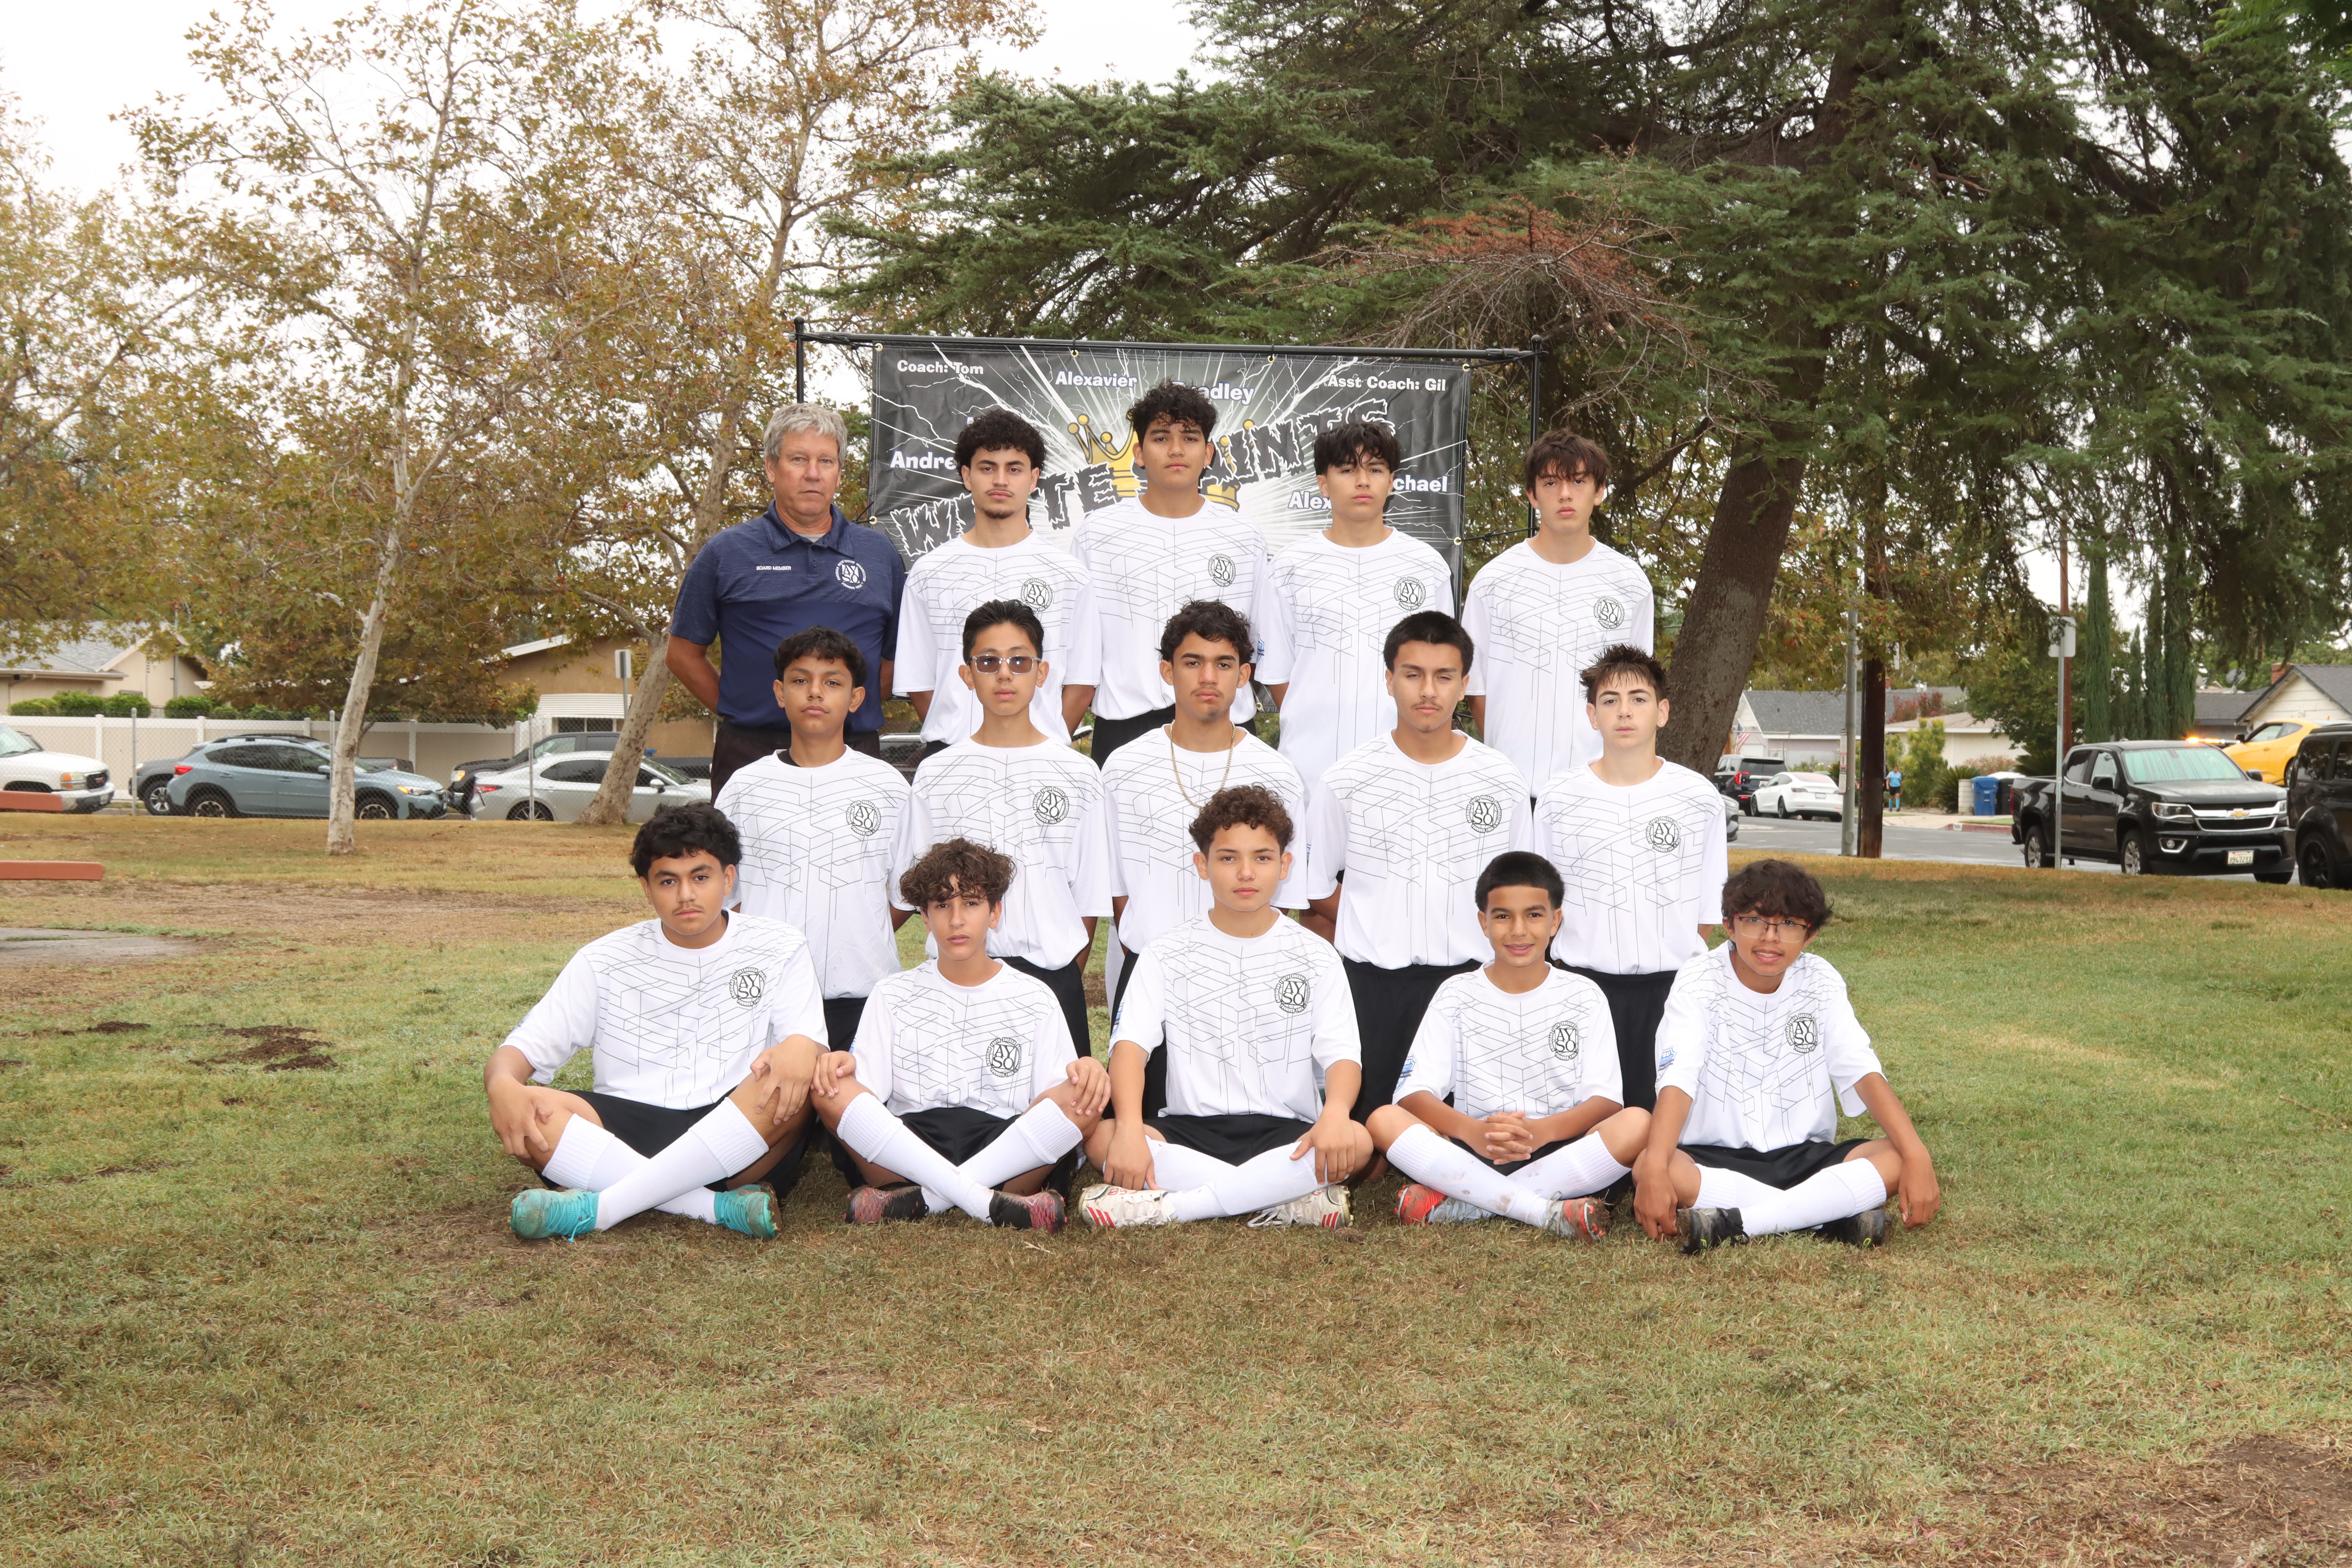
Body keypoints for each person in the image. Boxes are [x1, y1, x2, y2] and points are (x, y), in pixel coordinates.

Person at [489, 803, 827, 1242]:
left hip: (737, 1129)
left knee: (792, 1081)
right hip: (625, 1132)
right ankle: (714, 1208)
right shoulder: (603, 958)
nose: (686, 895)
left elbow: (805, 1044)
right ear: (647, 889)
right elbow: (518, 1052)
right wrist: (502, 1085)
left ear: (728, 879)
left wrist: (801, 1049)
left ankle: (603, 1208)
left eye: (700, 877)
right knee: (533, 1107)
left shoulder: (780, 945)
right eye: (668, 881)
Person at [1080, 785, 1371, 1227]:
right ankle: (1282, 1198)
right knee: (1104, 1137)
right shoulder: (1165, 953)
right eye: (1229, 858)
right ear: (1203, 865)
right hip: (1189, 1129)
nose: (1246, 873)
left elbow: (1343, 1056)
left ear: (1285, 865)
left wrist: (1333, 1114)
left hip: (1286, 1134)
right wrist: (1130, 1129)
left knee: (1357, 1139)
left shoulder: (1316, 956)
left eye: (1262, 857)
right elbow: (1129, 1050)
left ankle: (1178, 1206)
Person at [1632, 859, 1941, 1253]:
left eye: (1789, 924)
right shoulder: (1697, 979)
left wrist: (1917, 1153)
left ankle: (1743, 1223)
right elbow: (1679, 1077)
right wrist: (1655, 1169)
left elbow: (1860, 1069)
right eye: (1755, 921)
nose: (1770, 938)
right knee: (1651, 1165)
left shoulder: (1821, 979)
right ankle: (1827, 1217)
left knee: (1897, 1157)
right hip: (1714, 1157)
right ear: (1729, 925)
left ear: (1809, 935)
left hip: (1806, 1157)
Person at [810, 838, 1109, 1231]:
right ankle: (989, 1203)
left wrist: (1087, 1072)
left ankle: (921, 1201)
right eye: (941, 905)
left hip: (1005, 1147)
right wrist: (840, 1066)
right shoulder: (892, 994)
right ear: (924, 916)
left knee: (1086, 1092)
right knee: (828, 1085)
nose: (956, 920)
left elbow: (1052, 1098)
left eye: (970, 903)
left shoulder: (1035, 996)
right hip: (910, 1146)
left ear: (995, 912)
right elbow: (865, 1093)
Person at [1303, 610, 1532, 1121]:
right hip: (1374, 989)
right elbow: (1316, 888)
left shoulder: (1502, 780)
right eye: (1413, 674)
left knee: (1474, 1133)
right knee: (1370, 1135)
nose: (1428, 691)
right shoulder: (1347, 779)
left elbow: (1522, 893)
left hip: (1474, 985)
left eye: (1444, 676)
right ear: (1389, 680)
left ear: (1464, 684)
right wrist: (1374, 922)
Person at [1369, 851, 1651, 1235]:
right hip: (1471, 1149)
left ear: (1555, 921)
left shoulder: (1585, 995)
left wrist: (1542, 1131)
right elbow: (1413, 1093)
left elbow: (1606, 1100)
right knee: (1383, 1119)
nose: (1519, 930)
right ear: (1484, 922)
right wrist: (1473, 1132)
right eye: (1503, 916)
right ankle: (1544, 1211)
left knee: (1638, 1123)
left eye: (1534, 915)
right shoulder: (1456, 993)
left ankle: (1467, 1204)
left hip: (1558, 1148)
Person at [890, 599, 1111, 1058]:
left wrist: (1063, 974)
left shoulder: (1079, 773)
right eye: (989, 662)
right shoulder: (937, 773)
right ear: (967, 675)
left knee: (1062, 1104)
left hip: (1052, 978)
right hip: (957, 978)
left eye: (1019, 661)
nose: (1005, 674)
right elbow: (919, 887)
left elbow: (1088, 896)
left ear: (1042, 672)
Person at [669, 404, 908, 795]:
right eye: (798, 459)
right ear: (771, 467)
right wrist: (744, 710)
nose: (813, 473)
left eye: (826, 461)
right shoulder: (726, 552)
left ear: (838, 472)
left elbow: (898, 658)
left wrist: (838, 708)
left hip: (853, 751)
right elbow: (681, 654)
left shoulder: (879, 555)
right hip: (750, 752)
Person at [1532, 644, 1727, 1113]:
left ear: (1663, 712)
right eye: (1610, 700)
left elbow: (1706, 911)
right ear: (1592, 715)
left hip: (1670, 990)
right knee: (1584, 1118)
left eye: (1639, 699)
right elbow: (1540, 901)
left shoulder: (1698, 798)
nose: (1625, 712)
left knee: (1660, 1123)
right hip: (1582, 986)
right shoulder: (1559, 798)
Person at [1100, 600, 1307, 1027]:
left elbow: (1283, 895)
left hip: (1247, 975)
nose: (1208, 677)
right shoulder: (1122, 768)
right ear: (1167, 671)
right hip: (1149, 976)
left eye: (1224, 664)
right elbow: (1117, 889)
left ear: (1244, 675)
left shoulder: (1277, 773)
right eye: (1193, 662)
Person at [713, 626, 911, 1049]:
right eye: (800, 680)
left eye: (832, 682)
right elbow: (725, 894)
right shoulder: (744, 788)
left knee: (852, 1093)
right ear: (780, 693)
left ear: (856, 698)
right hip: (768, 997)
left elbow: (905, 892)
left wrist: (860, 930)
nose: (815, 692)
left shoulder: (889, 787)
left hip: (863, 995)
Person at [1071, 380, 1269, 768]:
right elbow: (1079, 652)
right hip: (1126, 727)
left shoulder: (1244, 537)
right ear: (1139, 453)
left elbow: (1258, 643)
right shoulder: (1097, 534)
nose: (1176, 450)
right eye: (1161, 438)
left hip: (1224, 724)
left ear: (1208, 453)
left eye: (1190, 438)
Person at [1257, 419, 1456, 792]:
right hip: (1309, 767)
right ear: (1323, 484)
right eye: (1348, 470)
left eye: (1375, 470)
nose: (1363, 481)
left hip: (1405, 768)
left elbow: (1443, 669)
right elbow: (1278, 673)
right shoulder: (1288, 568)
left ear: (1392, 481)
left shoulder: (1426, 567)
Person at [1461, 431, 1656, 798]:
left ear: (1599, 491)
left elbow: (1636, 690)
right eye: (1551, 483)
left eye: (1578, 481)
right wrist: (1507, 763)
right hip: (1513, 790)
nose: (1565, 494)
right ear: (1532, 495)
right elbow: (1477, 688)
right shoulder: (1493, 583)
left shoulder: (1630, 584)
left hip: (1600, 790)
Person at [895, 409, 1096, 758]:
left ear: (1033, 479)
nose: (1000, 480)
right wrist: (957, 741)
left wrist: (1046, 740)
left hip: (1043, 757)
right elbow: (919, 682)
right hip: (952, 754)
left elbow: (1082, 682)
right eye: (988, 468)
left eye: (1014, 469)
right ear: (967, 476)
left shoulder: (1070, 575)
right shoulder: (928, 574)